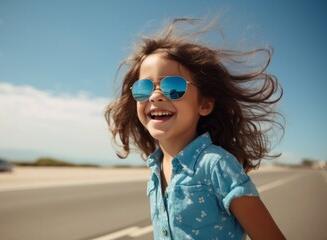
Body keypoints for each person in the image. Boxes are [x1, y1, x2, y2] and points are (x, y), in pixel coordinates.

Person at [105, 18, 286, 240]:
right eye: (144, 88)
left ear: (205, 104)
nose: (155, 95)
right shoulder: (156, 167)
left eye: (174, 87)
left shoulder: (216, 164)